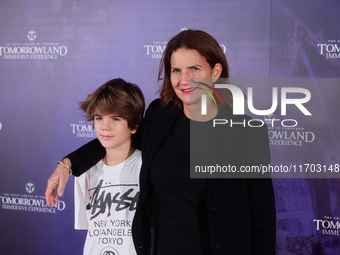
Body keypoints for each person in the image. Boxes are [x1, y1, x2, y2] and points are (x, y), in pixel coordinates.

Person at [46, 29, 276, 255]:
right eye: (176, 70)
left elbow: (261, 216)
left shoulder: (247, 133)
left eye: (194, 69)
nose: (184, 80)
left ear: (215, 72)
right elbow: (117, 136)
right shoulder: (159, 118)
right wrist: (68, 164)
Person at [72, 78, 145, 255]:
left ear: (134, 125)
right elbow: (91, 229)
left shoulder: (147, 167)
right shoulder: (84, 172)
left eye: (115, 118)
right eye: (99, 118)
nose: (105, 126)